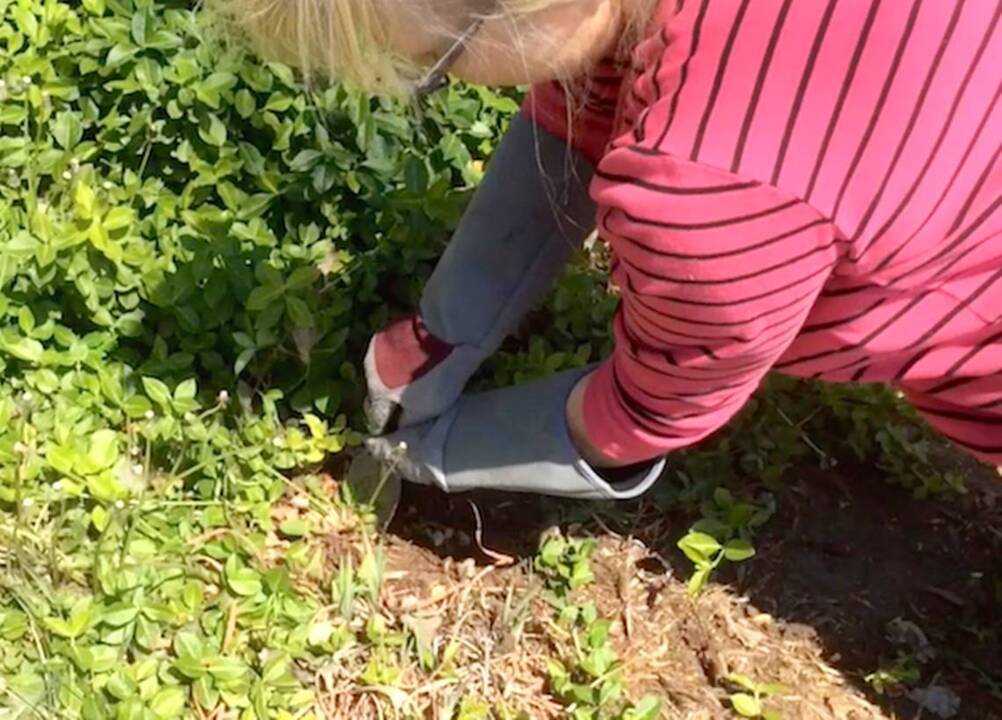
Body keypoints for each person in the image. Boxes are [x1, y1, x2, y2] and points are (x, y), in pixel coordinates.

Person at [230, 0, 1002, 499]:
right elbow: (590, 90)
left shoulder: (710, 189)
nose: (446, 84)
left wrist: (440, 454)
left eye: (434, 68)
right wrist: (442, 332)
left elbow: (653, 405)